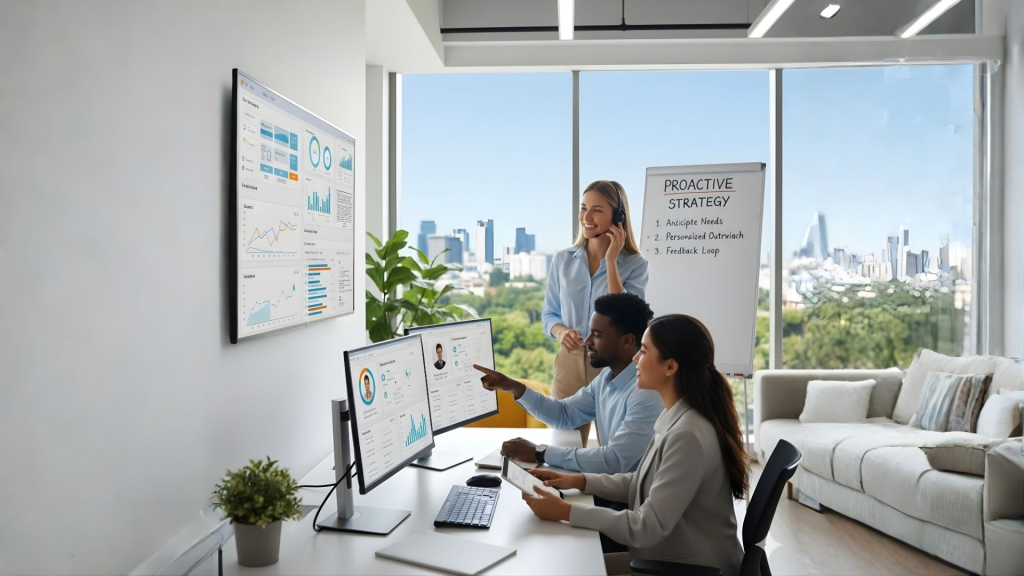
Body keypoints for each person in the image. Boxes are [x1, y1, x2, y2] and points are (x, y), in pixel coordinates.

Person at [520, 315, 748, 576]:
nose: (635, 358)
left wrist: (567, 511)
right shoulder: (678, 416)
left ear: (670, 367)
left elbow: (645, 527)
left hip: (691, 567)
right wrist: (578, 481)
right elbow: (641, 481)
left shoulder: (688, 435)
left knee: (570, 565)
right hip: (673, 555)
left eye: (643, 350)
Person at [474, 292, 662, 474]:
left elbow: (614, 460)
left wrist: (539, 452)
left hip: (630, 500)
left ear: (627, 341)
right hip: (610, 487)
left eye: (597, 335)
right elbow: (564, 414)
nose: (587, 341)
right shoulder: (606, 378)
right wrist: (515, 387)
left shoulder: (647, 393)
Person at [543, 180, 648, 445]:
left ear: (618, 216)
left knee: (612, 449)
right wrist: (561, 331)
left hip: (614, 366)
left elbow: (628, 318)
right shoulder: (563, 260)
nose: (586, 217)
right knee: (563, 445)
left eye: (597, 210)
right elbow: (549, 315)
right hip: (569, 362)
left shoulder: (636, 265)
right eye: (583, 208)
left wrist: (611, 261)